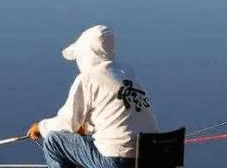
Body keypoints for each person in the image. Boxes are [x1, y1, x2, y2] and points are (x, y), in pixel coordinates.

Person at [27, 25, 158, 168]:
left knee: (53, 140)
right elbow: (117, 114)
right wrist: (86, 128)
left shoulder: (88, 78)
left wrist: (41, 127)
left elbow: (68, 123)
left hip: (117, 161)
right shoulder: (127, 72)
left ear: (87, 53)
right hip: (150, 157)